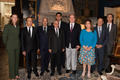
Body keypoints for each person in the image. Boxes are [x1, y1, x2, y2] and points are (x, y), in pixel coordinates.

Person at [2, 14, 20, 80]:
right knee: (12, 62)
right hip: (10, 47)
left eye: (16, 17)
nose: (15, 18)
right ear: (11, 18)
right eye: (13, 17)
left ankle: (16, 74)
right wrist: (7, 45)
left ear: (17, 19)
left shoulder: (18, 26)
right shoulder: (7, 26)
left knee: (16, 61)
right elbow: (4, 37)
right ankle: (12, 76)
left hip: (17, 46)